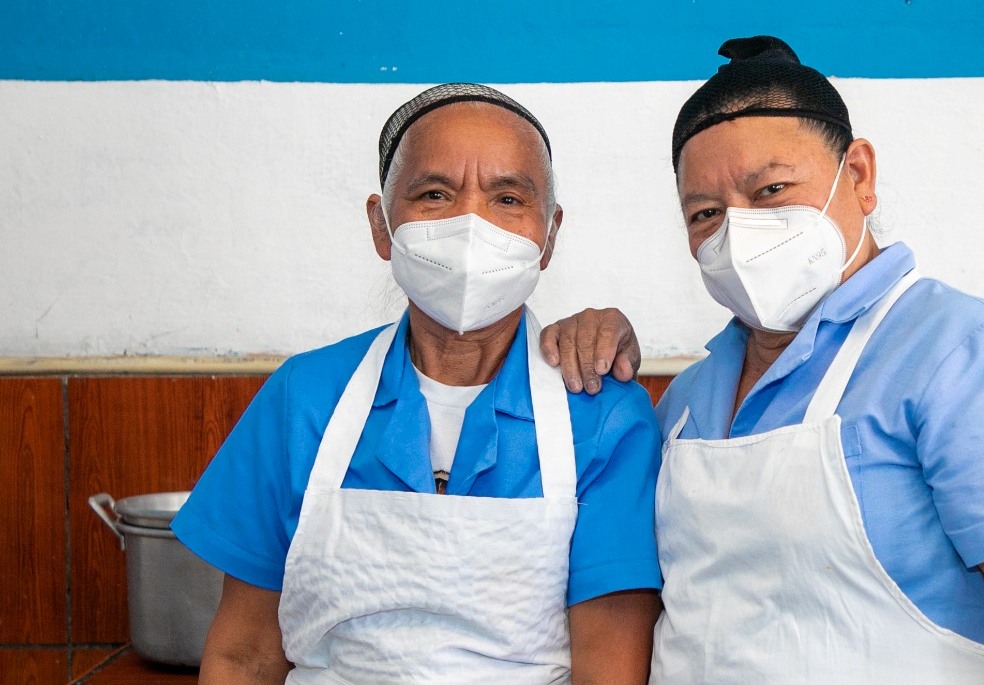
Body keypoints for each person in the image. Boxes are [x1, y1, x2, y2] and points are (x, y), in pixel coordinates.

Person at [540, 37, 984, 683]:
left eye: (770, 189)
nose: (737, 232)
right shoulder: (686, 399)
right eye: (705, 213)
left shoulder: (965, 353)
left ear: (859, 174)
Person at [172, 83, 663, 685]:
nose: (471, 225)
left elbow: (609, 668)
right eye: (435, 194)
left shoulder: (602, 415)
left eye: (508, 197)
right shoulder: (304, 399)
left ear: (550, 235)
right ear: (382, 226)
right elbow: (243, 655)